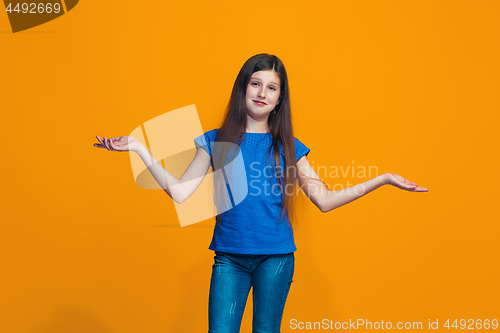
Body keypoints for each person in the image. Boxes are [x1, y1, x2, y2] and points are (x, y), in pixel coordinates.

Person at [93, 53, 428, 333]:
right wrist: (140, 149)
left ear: (279, 99)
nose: (262, 93)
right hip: (229, 258)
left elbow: (325, 200)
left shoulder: (289, 147)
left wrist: (381, 179)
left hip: (276, 259)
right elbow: (181, 193)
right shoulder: (215, 140)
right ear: (243, 88)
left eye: (272, 88)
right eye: (256, 84)